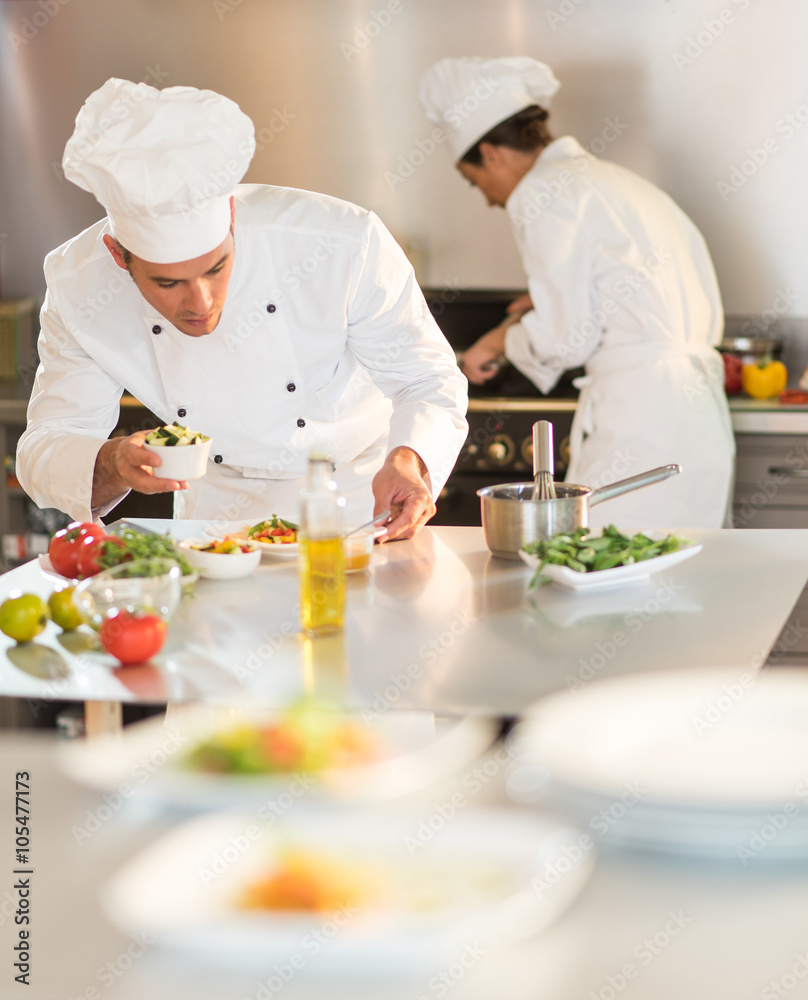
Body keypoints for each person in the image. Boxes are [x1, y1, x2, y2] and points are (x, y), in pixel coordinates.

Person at [17, 78, 468, 541]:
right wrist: (112, 462)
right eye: (167, 283)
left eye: (215, 269)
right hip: (214, 522)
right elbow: (45, 445)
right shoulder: (80, 286)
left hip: (361, 502)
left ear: (231, 220)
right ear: (119, 256)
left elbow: (426, 379)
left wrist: (409, 460)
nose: (201, 303)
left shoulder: (341, 243)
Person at [419, 57, 735, 530]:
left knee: (612, 575)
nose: (486, 197)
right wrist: (538, 304)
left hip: (641, 422)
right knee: (681, 577)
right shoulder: (622, 184)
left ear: (491, 153)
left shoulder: (541, 192)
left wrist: (501, 341)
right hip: (697, 416)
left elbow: (565, 339)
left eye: (474, 180)